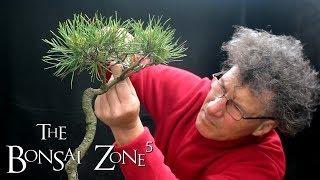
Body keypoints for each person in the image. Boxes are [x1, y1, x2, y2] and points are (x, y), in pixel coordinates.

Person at [94, 26, 320, 180]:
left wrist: (128, 130)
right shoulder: (192, 91)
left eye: (236, 108)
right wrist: (117, 48)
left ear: (264, 126)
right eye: (221, 87)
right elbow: (128, 72)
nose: (212, 108)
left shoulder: (262, 166)